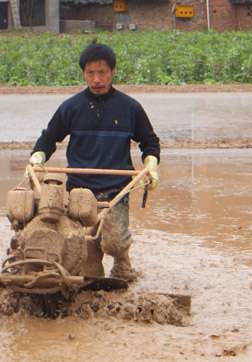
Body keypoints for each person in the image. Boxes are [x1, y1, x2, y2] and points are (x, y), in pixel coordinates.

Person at [29, 42, 160, 282]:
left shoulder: (130, 108)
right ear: (83, 74)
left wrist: (151, 164)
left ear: (113, 72)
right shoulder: (71, 107)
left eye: (102, 72)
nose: (97, 79)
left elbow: (149, 142)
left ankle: (123, 266)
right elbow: (49, 138)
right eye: (91, 73)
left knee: (114, 242)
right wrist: (37, 157)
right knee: (86, 247)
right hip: (80, 188)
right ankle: (93, 282)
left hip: (117, 188)